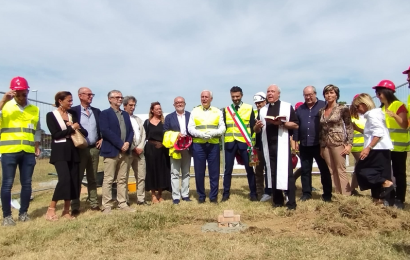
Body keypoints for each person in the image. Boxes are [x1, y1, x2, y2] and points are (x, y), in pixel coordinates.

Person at [0, 77, 41, 226]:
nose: (22, 97)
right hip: (9, 151)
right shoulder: (6, 107)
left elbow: (37, 130)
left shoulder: (34, 109)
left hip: (28, 152)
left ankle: (23, 213)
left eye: (24, 93)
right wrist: (4, 99)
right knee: (7, 184)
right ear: (13, 92)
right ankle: (7, 217)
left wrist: (37, 146)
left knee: (27, 184)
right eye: (19, 94)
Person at [254, 84, 298, 210]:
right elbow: (256, 129)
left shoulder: (286, 106)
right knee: (272, 173)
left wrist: (281, 123)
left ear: (278, 94)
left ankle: (291, 202)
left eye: (273, 91)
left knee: (286, 173)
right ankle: (277, 201)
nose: (270, 94)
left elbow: (295, 125)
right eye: (268, 92)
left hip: (282, 143)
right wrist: (257, 126)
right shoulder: (262, 110)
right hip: (268, 145)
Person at [45, 91, 88, 220]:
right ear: (60, 101)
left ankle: (66, 211)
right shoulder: (51, 115)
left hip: (73, 151)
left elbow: (84, 132)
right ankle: (51, 210)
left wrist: (76, 127)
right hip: (60, 151)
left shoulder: (72, 114)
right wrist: (71, 128)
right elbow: (56, 134)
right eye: (69, 100)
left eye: (71, 100)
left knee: (73, 180)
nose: (71, 103)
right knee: (64, 179)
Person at [373, 80, 409, 209]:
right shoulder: (380, 109)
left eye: (379, 93)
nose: (378, 96)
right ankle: (389, 197)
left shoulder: (398, 105)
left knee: (399, 173)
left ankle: (400, 199)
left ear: (387, 92)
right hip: (385, 147)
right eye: (376, 93)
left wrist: (394, 115)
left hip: (399, 147)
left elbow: (404, 125)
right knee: (386, 174)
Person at [352, 94, 394, 204]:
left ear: (364, 104)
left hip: (377, 149)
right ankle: (378, 199)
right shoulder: (376, 113)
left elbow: (378, 133)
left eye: (357, 107)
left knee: (361, 170)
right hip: (381, 149)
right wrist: (357, 128)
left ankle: (387, 183)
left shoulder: (372, 115)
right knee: (378, 173)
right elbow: (371, 133)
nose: (357, 110)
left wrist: (368, 148)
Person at [293, 86, 333, 201]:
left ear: (315, 94)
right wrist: (295, 141)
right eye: (306, 95)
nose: (308, 97)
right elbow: (296, 126)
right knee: (305, 170)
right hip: (304, 144)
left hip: (319, 144)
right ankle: (306, 193)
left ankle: (327, 195)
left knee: (324, 170)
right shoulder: (300, 109)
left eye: (310, 94)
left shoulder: (323, 106)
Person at [100, 90, 134, 213]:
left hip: (125, 151)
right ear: (110, 99)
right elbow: (106, 131)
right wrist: (120, 144)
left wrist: (127, 143)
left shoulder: (125, 114)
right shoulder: (105, 114)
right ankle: (107, 205)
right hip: (111, 151)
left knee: (122, 179)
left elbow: (131, 131)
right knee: (109, 179)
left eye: (121, 97)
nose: (120, 99)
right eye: (117, 97)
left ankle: (123, 203)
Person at [188, 90, 226, 203]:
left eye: (206, 97)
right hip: (198, 145)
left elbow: (222, 127)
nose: (204, 99)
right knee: (199, 172)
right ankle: (201, 196)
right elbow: (190, 127)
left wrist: (213, 133)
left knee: (214, 172)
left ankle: (213, 196)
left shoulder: (217, 111)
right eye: (202, 97)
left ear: (211, 99)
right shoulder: (194, 111)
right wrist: (200, 134)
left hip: (213, 144)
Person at [70, 87, 102, 215]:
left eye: (92, 94)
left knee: (93, 177)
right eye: (88, 94)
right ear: (80, 96)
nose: (91, 96)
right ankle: (75, 206)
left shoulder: (97, 111)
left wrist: (102, 138)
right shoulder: (74, 111)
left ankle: (94, 203)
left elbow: (102, 127)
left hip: (94, 148)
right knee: (77, 177)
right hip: (79, 149)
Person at [222, 86, 257, 202]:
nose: (235, 99)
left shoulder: (249, 108)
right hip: (230, 142)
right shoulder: (226, 109)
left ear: (241, 95)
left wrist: (251, 143)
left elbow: (252, 126)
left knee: (249, 169)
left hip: (244, 142)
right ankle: (225, 194)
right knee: (228, 170)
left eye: (237, 96)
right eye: (233, 97)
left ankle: (253, 193)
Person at [318, 84, 353, 196]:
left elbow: (349, 126)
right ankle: (338, 194)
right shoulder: (321, 111)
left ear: (336, 95)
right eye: (327, 93)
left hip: (338, 142)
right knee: (331, 170)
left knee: (340, 170)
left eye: (331, 93)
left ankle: (346, 196)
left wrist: (349, 144)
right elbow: (321, 129)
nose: (329, 95)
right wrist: (321, 147)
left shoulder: (342, 109)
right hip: (325, 144)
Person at [163, 97, 192, 204]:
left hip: (187, 148)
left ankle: (185, 194)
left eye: (181, 102)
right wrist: (176, 135)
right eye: (177, 103)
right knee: (174, 173)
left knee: (186, 173)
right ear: (174, 104)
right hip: (175, 149)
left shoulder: (190, 115)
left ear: (185, 103)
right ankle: (176, 196)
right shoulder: (169, 117)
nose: (179, 104)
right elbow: (165, 131)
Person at [144, 102, 171, 204]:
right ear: (152, 110)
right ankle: (153, 195)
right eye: (157, 109)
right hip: (150, 150)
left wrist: (163, 144)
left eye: (160, 108)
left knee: (162, 171)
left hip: (163, 150)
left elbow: (168, 136)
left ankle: (160, 194)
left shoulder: (164, 122)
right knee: (151, 171)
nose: (159, 110)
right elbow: (144, 136)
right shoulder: (147, 122)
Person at [123, 96, 147, 205]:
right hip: (128, 152)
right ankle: (125, 200)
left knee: (141, 176)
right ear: (125, 106)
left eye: (134, 105)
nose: (132, 107)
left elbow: (143, 134)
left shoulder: (138, 119)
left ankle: (141, 199)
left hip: (140, 152)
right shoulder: (122, 118)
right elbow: (123, 136)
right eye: (130, 105)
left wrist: (140, 147)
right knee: (124, 177)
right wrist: (132, 148)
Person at [252, 92, 272, 202]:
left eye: (260, 102)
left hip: (270, 146)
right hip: (257, 146)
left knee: (269, 169)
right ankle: (260, 192)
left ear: (265, 101)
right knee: (258, 170)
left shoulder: (271, 111)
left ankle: (270, 190)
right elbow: (255, 130)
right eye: (256, 103)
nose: (258, 105)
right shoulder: (256, 113)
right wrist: (257, 126)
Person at [350, 94, 366, 196]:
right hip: (355, 146)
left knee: (358, 166)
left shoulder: (366, 115)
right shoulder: (351, 116)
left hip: (366, 146)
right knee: (361, 165)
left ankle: (353, 188)